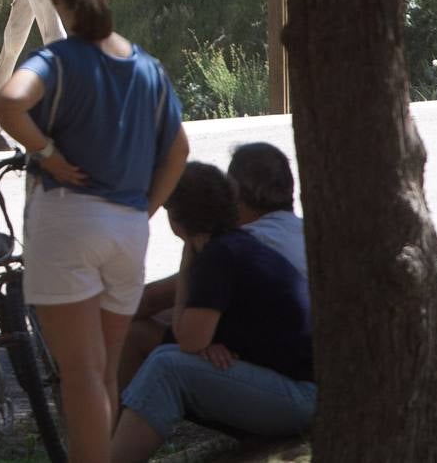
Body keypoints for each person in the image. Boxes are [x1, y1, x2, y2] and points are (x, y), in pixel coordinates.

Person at [0, 0, 189, 463]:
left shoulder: (56, 60)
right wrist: (144, 208)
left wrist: (49, 154)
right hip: (127, 229)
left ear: (57, 1)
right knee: (104, 369)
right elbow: (179, 152)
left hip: (67, 221)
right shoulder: (146, 67)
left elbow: (9, 102)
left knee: (78, 372)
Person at [111, 163, 315, 462]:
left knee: (167, 367)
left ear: (177, 219)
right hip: (295, 389)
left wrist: (186, 264)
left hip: (301, 399)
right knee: (163, 357)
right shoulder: (235, 246)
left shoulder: (217, 257)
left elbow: (188, 341)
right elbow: (198, 338)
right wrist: (205, 345)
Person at [120, 142, 306, 387]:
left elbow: (154, 301)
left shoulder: (242, 246)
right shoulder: (304, 233)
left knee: (134, 332)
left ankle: (115, 419)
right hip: (299, 357)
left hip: (281, 374)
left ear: (234, 193)